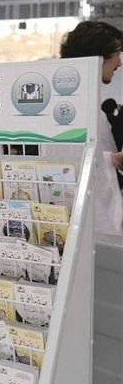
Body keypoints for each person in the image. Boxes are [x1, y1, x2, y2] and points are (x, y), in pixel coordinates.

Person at [60, 20, 123, 234]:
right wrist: (115, 159)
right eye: (116, 53)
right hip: (88, 224)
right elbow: (67, 162)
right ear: (98, 56)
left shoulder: (85, 102)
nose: (119, 62)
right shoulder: (73, 108)